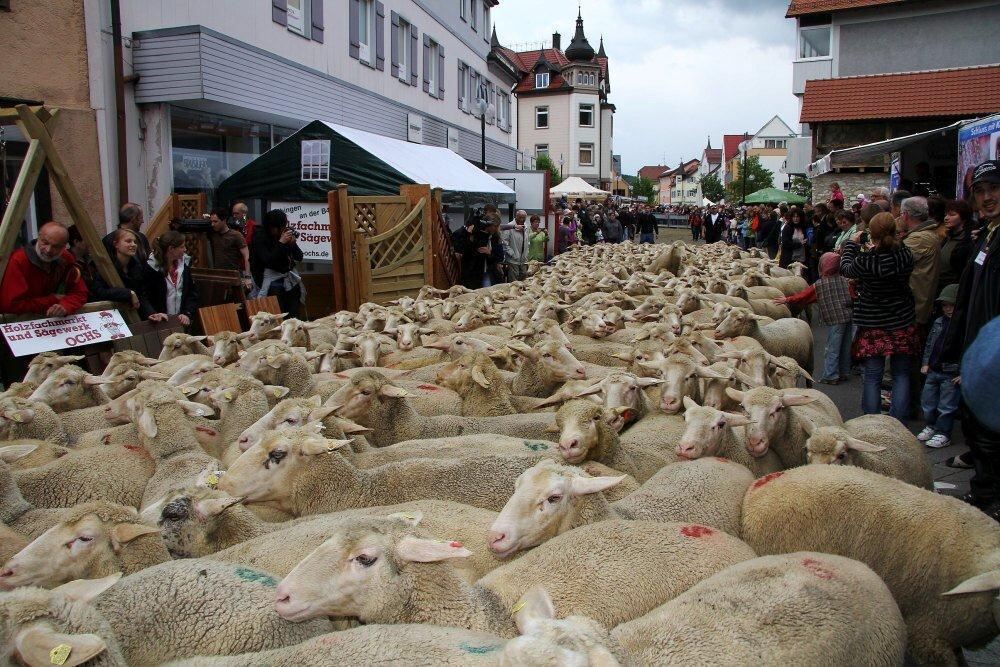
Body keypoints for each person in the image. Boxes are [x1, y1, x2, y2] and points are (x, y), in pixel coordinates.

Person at [942, 160, 1000, 517]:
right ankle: (984, 489)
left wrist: (986, 359)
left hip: (993, 355)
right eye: (980, 192)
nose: (987, 197)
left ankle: (989, 500)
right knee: (978, 427)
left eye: (994, 189)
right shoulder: (988, 235)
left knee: (991, 431)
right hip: (978, 347)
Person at [840, 213, 917, 420]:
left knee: (873, 375)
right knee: (901, 374)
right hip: (901, 318)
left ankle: (872, 420)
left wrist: (851, 245)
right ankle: (898, 420)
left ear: (871, 234)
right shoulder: (905, 255)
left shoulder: (867, 260)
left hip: (873, 322)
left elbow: (846, 268)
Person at [777, 252, 854, 385]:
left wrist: (787, 299)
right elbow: (853, 296)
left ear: (822, 266)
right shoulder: (845, 281)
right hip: (849, 316)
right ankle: (844, 372)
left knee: (833, 347)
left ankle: (831, 375)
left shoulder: (820, 284)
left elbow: (804, 296)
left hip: (835, 319)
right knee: (846, 345)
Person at [0, 222, 88, 318]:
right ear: (39, 237)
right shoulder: (18, 260)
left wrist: (65, 306)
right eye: (45, 243)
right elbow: (9, 304)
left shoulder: (66, 259)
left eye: (56, 246)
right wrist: (52, 300)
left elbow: (80, 292)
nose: (48, 250)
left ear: (64, 247)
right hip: (20, 325)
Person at [917, 284, 960, 449]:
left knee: (946, 405)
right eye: (945, 305)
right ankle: (931, 425)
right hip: (933, 369)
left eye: (952, 305)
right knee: (928, 401)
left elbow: (967, 349)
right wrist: (925, 362)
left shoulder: (962, 326)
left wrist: (963, 372)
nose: (948, 309)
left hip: (951, 371)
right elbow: (929, 344)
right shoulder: (938, 322)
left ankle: (943, 432)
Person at [89, 228, 165, 321]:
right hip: (108, 318)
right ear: (116, 244)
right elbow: (99, 292)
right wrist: (128, 293)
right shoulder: (105, 268)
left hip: (131, 318)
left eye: (134, 242)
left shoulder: (137, 267)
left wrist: (151, 313)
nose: (133, 245)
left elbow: (140, 295)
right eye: (128, 241)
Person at [250, 209, 305, 316]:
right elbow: (268, 260)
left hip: (289, 277)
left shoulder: (283, 233)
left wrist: (292, 244)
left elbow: (299, 257)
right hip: (271, 279)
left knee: (294, 310)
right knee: (278, 312)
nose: (282, 229)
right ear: (272, 227)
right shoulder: (260, 237)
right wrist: (281, 243)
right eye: (279, 227)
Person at [900, 196, 942, 329]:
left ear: (905, 215)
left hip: (913, 308)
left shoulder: (919, 238)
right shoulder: (927, 234)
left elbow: (890, 262)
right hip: (917, 305)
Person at [147, 231, 199, 327]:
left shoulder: (184, 267)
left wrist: (187, 313)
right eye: (182, 247)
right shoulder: (151, 269)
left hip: (180, 322)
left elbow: (192, 293)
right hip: (159, 323)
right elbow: (145, 296)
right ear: (171, 249)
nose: (185, 249)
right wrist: (154, 313)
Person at [208, 207, 252, 292]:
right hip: (219, 277)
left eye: (215, 221)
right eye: (211, 221)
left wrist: (247, 277)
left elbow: (247, 256)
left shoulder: (236, 235)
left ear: (224, 220)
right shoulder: (213, 233)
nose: (212, 224)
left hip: (234, 276)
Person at [938, 199, 973, 288]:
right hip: (940, 285)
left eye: (952, 215)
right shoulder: (948, 237)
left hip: (953, 288)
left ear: (963, 218)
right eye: (946, 214)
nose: (946, 218)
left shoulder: (969, 241)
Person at [501, 211, 530, 282]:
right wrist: (512, 254)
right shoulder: (510, 226)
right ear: (516, 217)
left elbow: (527, 241)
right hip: (513, 260)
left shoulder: (526, 226)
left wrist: (526, 253)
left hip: (524, 260)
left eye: (524, 218)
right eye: (520, 217)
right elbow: (504, 243)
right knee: (513, 282)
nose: (522, 219)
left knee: (523, 281)